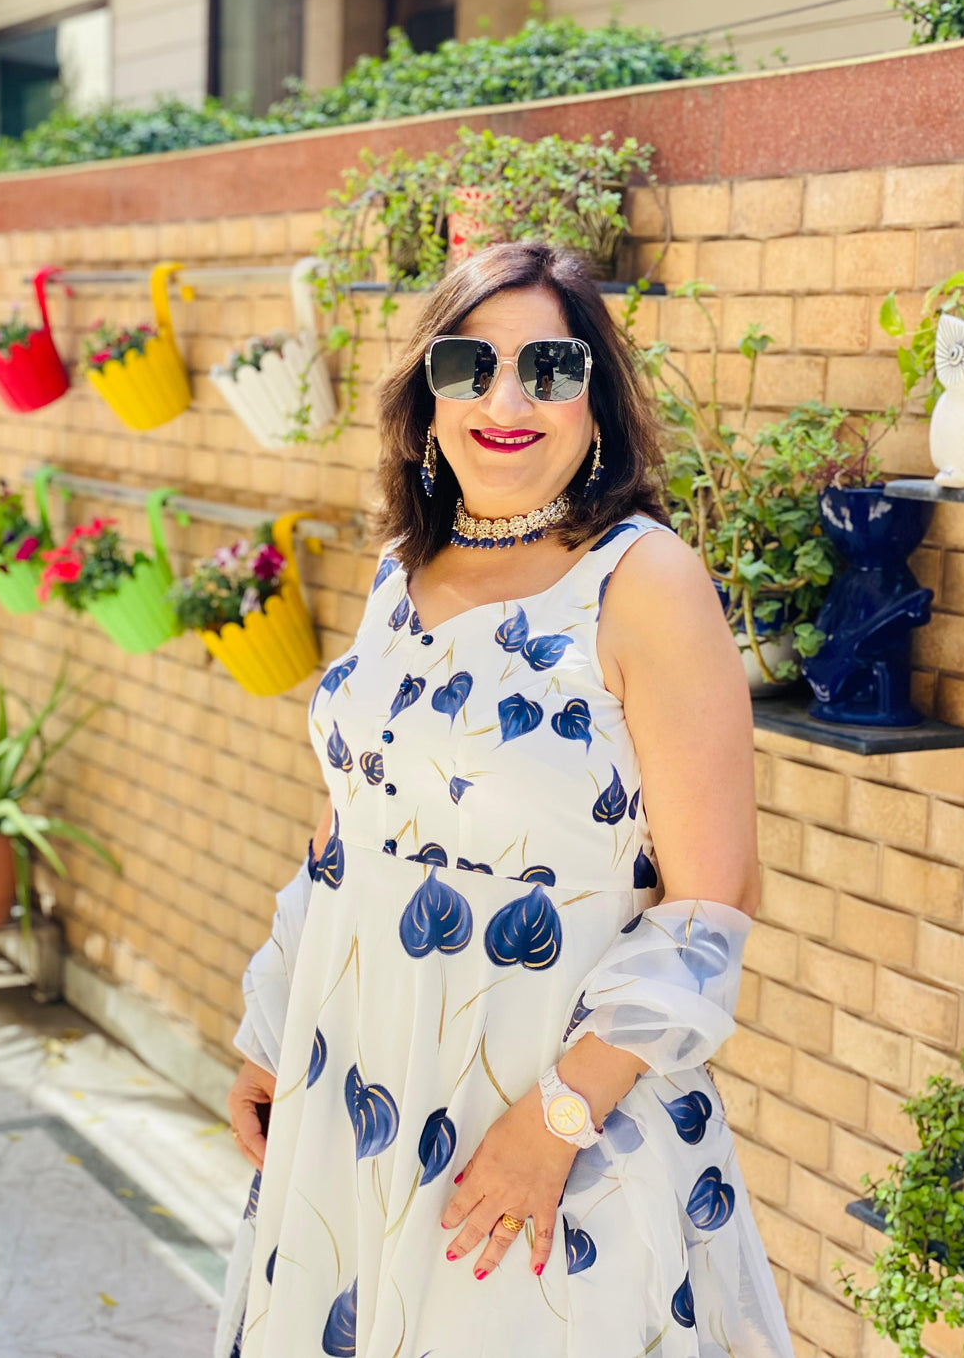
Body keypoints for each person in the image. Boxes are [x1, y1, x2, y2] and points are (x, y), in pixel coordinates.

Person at [214, 242, 794, 1358]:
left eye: (550, 368)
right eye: (468, 365)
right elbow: (346, 833)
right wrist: (270, 1033)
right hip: (353, 1089)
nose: (507, 398)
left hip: (542, 1121)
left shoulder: (643, 580)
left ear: (597, 406)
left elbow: (712, 897)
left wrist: (557, 1122)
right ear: (425, 402)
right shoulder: (399, 568)